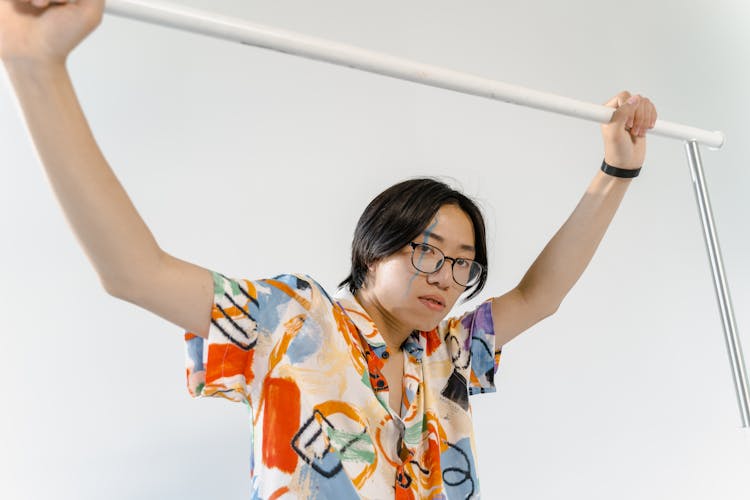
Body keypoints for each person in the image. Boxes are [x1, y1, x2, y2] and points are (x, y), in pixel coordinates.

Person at [0, 0, 658, 498]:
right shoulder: (291, 322)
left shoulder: (448, 354)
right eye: (427, 252)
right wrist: (36, 67)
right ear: (375, 250)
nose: (446, 277)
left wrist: (616, 171)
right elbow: (135, 273)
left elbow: (542, 295)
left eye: (462, 264)